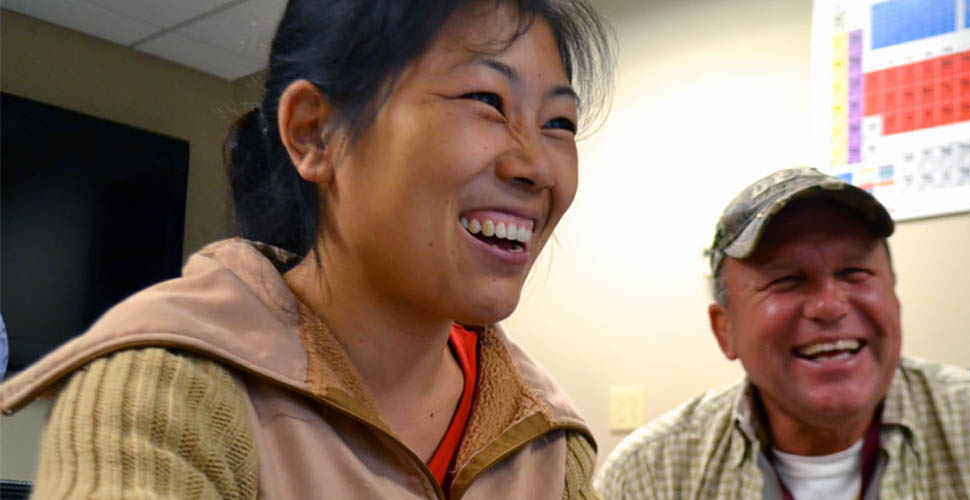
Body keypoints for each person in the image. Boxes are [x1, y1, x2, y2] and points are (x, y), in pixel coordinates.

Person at [0, 0, 612, 498]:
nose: (535, 165)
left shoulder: (547, 443)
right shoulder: (164, 390)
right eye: (486, 101)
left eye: (558, 123)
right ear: (314, 133)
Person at [595, 167, 970, 499]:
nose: (828, 305)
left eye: (854, 273)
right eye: (786, 280)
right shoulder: (652, 474)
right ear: (724, 329)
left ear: (894, 296)